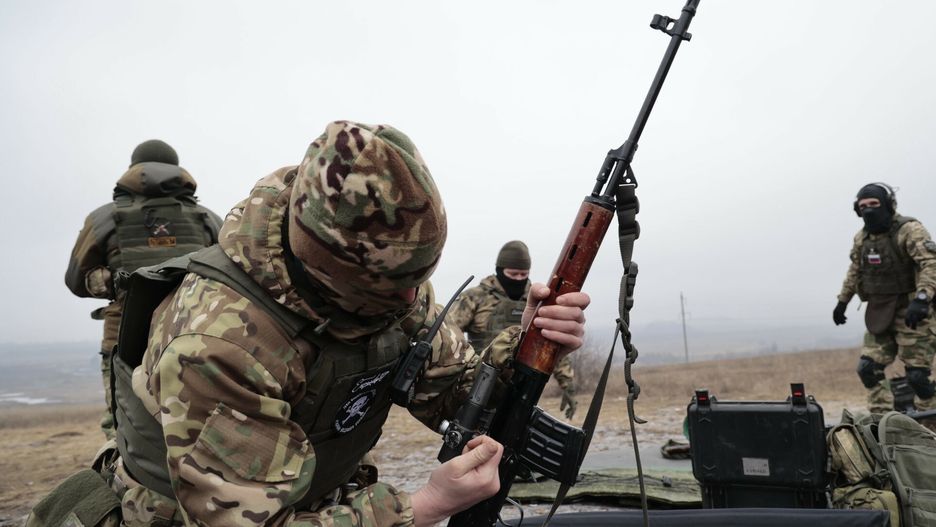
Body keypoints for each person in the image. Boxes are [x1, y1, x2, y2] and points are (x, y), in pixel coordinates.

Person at [41, 122, 589, 527]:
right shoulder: (220, 342)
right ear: (324, 268)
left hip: (322, 498)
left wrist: (530, 344)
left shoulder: (379, 280)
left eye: (416, 279)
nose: (409, 300)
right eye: (389, 288)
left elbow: (453, 389)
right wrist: (421, 509)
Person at [64, 139, 223, 439]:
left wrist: (115, 280)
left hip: (125, 339)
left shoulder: (104, 219)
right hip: (193, 336)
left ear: (133, 170)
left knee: (123, 429)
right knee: (195, 425)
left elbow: (76, 280)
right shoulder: (208, 220)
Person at [833, 182, 936, 415]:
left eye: (874, 204)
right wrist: (842, 301)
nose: (868, 210)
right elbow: (855, 271)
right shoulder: (862, 239)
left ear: (888, 205)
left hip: (914, 312)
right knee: (868, 369)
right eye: (863, 206)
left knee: (918, 377)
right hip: (880, 310)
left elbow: (930, 264)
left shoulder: (909, 230)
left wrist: (922, 298)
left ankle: (929, 421)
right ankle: (881, 422)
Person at [450, 240, 578, 419]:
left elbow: (550, 343)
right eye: (513, 273)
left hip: (522, 389)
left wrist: (568, 386)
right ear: (499, 270)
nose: (518, 279)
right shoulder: (475, 298)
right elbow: (448, 336)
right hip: (479, 385)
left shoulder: (538, 301)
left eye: (523, 274)